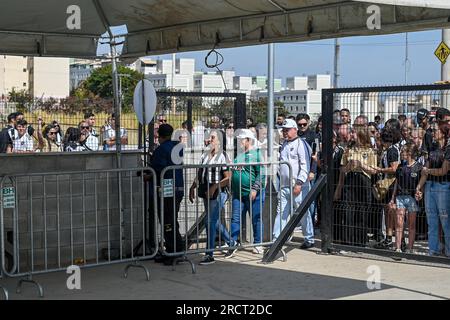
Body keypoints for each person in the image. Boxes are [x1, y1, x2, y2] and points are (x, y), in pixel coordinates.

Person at [189, 129, 232, 265]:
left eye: (212, 138)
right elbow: (200, 173)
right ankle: (231, 242)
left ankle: (209, 254)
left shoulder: (222, 156)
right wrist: (193, 187)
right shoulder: (204, 154)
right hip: (206, 192)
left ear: (219, 141)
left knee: (210, 221)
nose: (208, 140)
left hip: (218, 193)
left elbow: (228, 177)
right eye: (208, 137)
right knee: (213, 220)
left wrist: (215, 187)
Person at [273, 119, 315, 249]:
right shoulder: (284, 144)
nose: (285, 132)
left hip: (298, 185)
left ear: (294, 129)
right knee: (281, 212)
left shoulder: (301, 144)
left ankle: (309, 238)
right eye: (283, 130)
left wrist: (299, 183)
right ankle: (276, 239)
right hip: (284, 185)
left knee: (303, 212)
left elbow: (305, 165)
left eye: (287, 130)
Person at [334, 122, 378, 246]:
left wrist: (360, 165)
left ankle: (360, 241)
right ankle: (348, 241)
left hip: (364, 182)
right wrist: (348, 167)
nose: (351, 134)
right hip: (350, 182)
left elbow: (374, 170)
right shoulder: (348, 150)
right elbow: (342, 170)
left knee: (362, 213)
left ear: (360, 135)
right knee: (348, 213)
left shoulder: (370, 151)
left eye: (353, 132)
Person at [226, 129, 266, 258]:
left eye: (241, 140)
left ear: (248, 140)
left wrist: (255, 189)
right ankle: (233, 242)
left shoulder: (257, 154)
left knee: (256, 218)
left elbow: (262, 173)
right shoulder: (240, 155)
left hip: (253, 194)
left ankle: (258, 244)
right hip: (238, 194)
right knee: (235, 218)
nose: (239, 142)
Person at [149, 123, 184, 265]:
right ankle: (173, 250)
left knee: (167, 222)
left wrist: (148, 175)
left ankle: (173, 252)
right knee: (171, 219)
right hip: (178, 187)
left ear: (159, 136)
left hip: (167, 188)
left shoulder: (161, 150)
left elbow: (157, 168)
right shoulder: (178, 147)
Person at [416, 122, 450, 257]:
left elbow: (443, 171)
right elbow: (425, 172)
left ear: (442, 132)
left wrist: (428, 170)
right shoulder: (432, 148)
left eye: (435, 130)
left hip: (443, 187)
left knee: (445, 221)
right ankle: (433, 250)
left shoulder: (448, 150)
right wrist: (419, 187)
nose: (432, 132)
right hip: (430, 186)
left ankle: (448, 251)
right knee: (432, 221)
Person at [389, 143, 422, 253]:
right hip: (400, 197)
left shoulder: (418, 167)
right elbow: (396, 182)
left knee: (411, 224)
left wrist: (420, 194)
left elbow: (422, 185)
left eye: (403, 152)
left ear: (409, 153)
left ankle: (410, 248)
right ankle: (398, 248)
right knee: (399, 223)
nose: (401, 153)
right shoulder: (400, 166)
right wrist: (393, 198)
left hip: (412, 198)